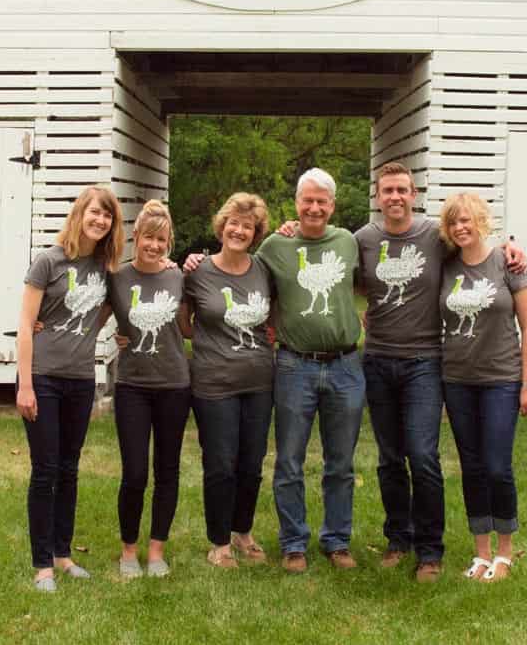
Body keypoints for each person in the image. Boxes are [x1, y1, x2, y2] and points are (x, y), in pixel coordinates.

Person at [355, 162, 526, 583]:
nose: (394, 197)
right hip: (377, 360)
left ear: (413, 194)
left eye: (402, 190)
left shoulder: (436, 235)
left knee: (423, 455)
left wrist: (511, 247)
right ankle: (399, 539)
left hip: (425, 364)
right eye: (387, 190)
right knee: (390, 458)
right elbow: (341, 268)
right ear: (378, 196)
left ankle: (430, 551)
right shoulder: (362, 239)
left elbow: (476, 247)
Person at [255, 168, 365, 573]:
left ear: (332, 206)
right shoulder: (274, 246)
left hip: (346, 366)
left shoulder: (349, 242)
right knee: (288, 460)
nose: (314, 207)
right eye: (308, 200)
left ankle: (337, 541)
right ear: (296, 203)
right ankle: (293, 543)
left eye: (322, 201)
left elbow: (376, 283)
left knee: (341, 462)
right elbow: (238, 272)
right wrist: (195, 260)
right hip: (293, 365)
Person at [15, 185, 124, 593]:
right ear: (79, 213)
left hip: (81, 379)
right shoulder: (48, 261)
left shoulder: (104, 268)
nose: (100, 220)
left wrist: (101, 334)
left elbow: (115, 305)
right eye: (95, 212)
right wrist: (25, 385)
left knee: (70, 468)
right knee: (45, 471)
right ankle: (42, 564)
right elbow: (26, 324)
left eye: (107, 216)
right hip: (42, 377)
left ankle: (63, 555)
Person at [438, 192, 527, 582]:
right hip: (458, 380)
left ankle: (505, 553)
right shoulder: (446, 266)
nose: (461, 227)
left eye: (467, 220)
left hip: (501, 379)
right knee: (472, 467)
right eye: (453, 222)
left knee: (498, 466)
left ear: (482, 221)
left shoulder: (507, 263)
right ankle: (480, 553)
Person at [181, 192, 274, 569]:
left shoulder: (264, 270)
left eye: (247, 226)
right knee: (220, 463)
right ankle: (218, 542)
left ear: (256, 233)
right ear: (222, 226)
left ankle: (243, 532)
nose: (238, 230)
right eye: (233, 223)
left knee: (251, 462)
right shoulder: (197, 271)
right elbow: (183, 325)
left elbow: (275, 317)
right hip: (213, 382)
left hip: (259, 381)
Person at [106, 199, 191, 579]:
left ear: (168, 242)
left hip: (174, 384)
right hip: (133, 386)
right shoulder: (117, 278)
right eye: (148, 238)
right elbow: (93, 316)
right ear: (135, 237)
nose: (154, 246)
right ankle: (129, 551)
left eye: (162, 239)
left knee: (167, 471)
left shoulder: (179, 278)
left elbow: (191, 325)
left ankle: (157, 551)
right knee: (135, 472)